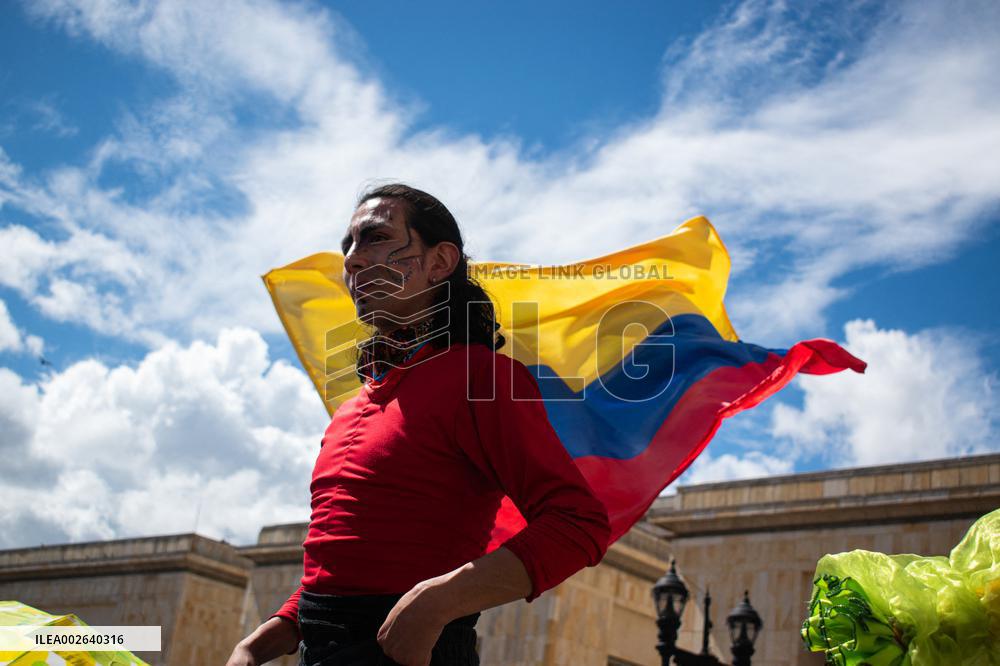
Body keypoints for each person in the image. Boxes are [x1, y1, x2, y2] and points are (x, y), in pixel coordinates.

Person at [225, 184, 611, 666]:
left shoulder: (482, 377)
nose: (352, 260)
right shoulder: (350, 408)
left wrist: (436, 604)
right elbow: (348, 563)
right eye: (348, 245)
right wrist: (264, 638)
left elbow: (579, 524)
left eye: (376, 238)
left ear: (440, 261)